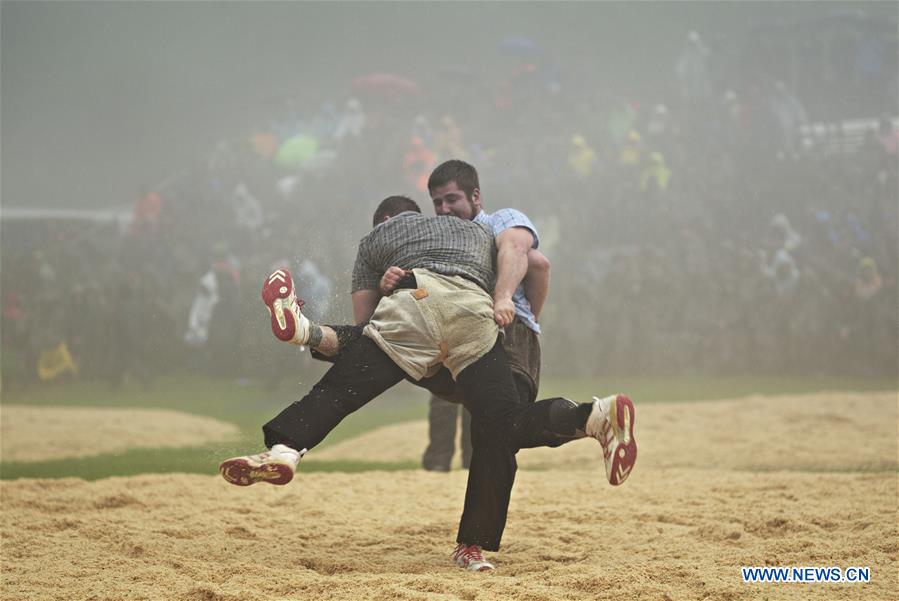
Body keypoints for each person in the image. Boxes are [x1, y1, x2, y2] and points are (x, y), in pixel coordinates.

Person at [220, 196, 638, 572]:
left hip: (416, 307)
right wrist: (511, 302)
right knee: (502, 426)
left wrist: (345, 321)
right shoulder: (481, 228)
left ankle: (286, 440)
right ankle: (593, 417)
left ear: (385, 222)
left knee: (341, 390)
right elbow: (536, 261)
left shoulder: (377, 241)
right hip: (478, 318)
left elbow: (367, 328)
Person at [399, 160, 557, 471]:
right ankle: (436, 468)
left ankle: (583, 417)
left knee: (500, 425)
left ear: (476, 197)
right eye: (437, 202)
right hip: (453, 331)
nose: (444, 209)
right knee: (449, 403)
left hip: (503, 327)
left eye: (452, 199)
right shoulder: (438, 238)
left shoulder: (502, 221)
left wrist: (505, 301)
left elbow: (518, 249)